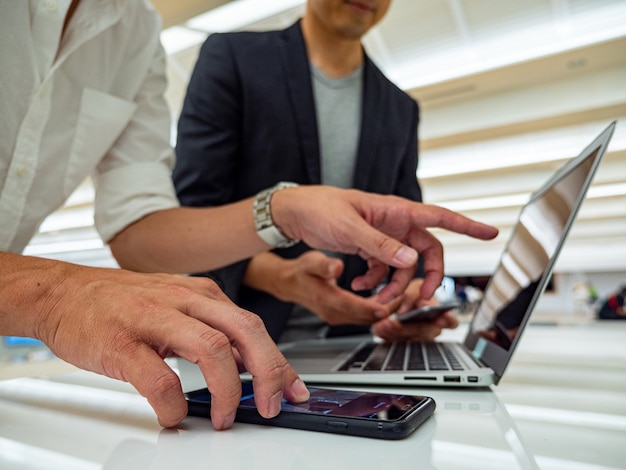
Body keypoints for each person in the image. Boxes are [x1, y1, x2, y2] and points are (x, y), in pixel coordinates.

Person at [0, 1, 498, 430]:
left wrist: (403, 295)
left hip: (345, 351)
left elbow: (141, 226)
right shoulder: (234, 57)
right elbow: (189, 207)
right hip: (235, 339)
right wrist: (279, 265)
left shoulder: (133, 28)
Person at [174, 0, 454, 344]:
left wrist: (414, 293)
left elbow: (405, 225)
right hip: (237, 341)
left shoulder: (400, 108)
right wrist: (282, 277)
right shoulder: (233, 57)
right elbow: (191, 215)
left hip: (354, 344)